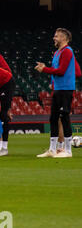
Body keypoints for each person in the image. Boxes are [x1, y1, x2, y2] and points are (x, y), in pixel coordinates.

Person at [35, 28, 76, 158]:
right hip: (58, 89)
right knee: (53, 118)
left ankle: (68, 150)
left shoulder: (67, 51)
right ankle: (52, 149)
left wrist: (45, 69)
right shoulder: (57, 52)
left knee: (64, 117)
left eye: (56, 36)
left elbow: (62, 71)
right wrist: (46, 68)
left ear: (64, 38)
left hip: (66, 89)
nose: (54, 38)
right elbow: (55, 70)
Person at [56, 58, 81, 153]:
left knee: (62, 119)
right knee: (60, 119)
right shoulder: (60, 57)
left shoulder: (69, 56)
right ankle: (61, 146)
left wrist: (66, 77)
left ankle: (61, 146)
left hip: (65, 90)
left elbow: (78, 73)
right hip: (60, 90)